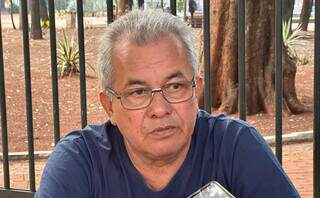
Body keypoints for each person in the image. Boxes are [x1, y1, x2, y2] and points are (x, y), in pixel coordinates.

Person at [35, 9, 299, 198]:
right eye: (138, 92)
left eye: (175, 86)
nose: (160, 109)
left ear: (197, 90)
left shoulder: (236, 147)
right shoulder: (81, 162)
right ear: (110, 106)